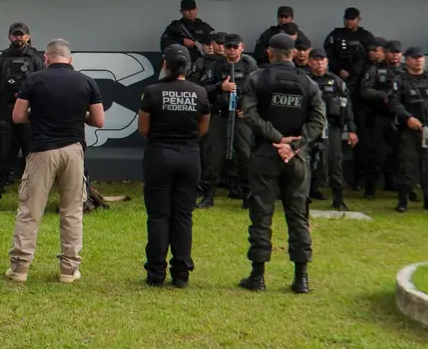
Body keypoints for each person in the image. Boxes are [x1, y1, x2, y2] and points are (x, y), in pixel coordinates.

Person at [5, 39, 105, 285]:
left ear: (46, 58)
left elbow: (17, 116)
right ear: (70, 59)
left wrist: (36, 114)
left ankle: (20, 268)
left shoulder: (34, 80)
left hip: (42, 152)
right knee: (72, 211)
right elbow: (98, 121)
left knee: (30, 210)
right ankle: (69, 270)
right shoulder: (86, 81)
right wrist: (79, 115)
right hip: (73, 151)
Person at [239, 33, 325, 294]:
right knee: (298, 216)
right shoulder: (309, 83)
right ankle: (301, 278)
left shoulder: (257, 79)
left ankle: (258, 277)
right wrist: (294, 145)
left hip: (266, 153)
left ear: (269, 53)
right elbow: (318, 121)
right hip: (296, 157)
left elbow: (250, 115)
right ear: (294, 54)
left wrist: (277, 139)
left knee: (261, 214)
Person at [137, 44, 210, 288]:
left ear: (164, 64)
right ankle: (181, 273)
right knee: (183, 215)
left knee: (158, 216)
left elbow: (144, 128)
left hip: (159, 155)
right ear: (188, 67)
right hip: (189, 156)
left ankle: (156, 271)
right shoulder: (200, 92)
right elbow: (203, 128)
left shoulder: (152, 91)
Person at [0, 22, 45, 211]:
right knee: (1, 158)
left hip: (29, 117)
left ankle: (33, 201)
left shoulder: (36, 60)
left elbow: (44, 88)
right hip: (4, 115)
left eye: (21, 34)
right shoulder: (1, 60)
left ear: (28, 36)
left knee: (33, 160)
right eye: (15, 34)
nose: (18, 37)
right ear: (9, 36)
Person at [390, 46, 428, 213]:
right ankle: (403, 201)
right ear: (407, 60)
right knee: (407, 167)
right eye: (415, 58)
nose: (418, 61)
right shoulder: (400, 79)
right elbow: (394, 102)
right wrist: (407, 118)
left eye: (421, 58)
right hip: (409, 130)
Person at [199, 34, 255, 206]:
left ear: (242, 47)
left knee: (245, 156)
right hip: (221, 115)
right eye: (228, 47)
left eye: (235, 47)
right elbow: (202, 89)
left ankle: (248, 196)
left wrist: (247, 109)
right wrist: (220, 87)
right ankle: (208, 196)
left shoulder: (249, 65)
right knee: (213, 155)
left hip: (241, 117)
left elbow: (258, 91)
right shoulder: (216, 65)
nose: (231, 51)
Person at [306, 49, 356, 211]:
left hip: (332, 126)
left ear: (327, 62)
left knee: (335, 161)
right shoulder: (304, 80)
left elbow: (347, 107)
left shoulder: (336, 82)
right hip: (309, 127)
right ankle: (303, 197)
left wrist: (351, 130)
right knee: (305, 162)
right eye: (316, 60)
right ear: (310, 62)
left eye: (322, 60)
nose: (319, 63)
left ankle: (338, 199)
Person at [357, 39, 401, 199]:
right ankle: (370, 188)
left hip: (401, 117)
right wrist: (382, 95)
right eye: (391, 52)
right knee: (377, 154)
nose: (394, 56)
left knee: (400, 154)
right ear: (385, 53)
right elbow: (365, 90)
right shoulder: (375, 70)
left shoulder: (404, 71)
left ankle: (398, 185)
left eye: (397, 53)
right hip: (381, 116)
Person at [159, 0, 215, 71]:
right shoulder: (175, 27)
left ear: (196, 9)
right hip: (181, 65)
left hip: (202, 64)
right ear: (181, 11)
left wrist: (206, 47)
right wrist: (181, 41)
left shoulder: (204, 27)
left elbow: (214, 42)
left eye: (193, 9)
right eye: (187, 10)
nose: (191, 12)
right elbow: (163, 43)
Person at [322, 8, 371, 88]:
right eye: (347, 19)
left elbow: (371, 55)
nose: (349, 22)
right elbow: (329, 55)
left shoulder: (365, 35)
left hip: (360, 76)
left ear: (358, 19)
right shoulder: (336, 34)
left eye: (352, 19)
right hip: (339, 75)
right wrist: (339, 70)